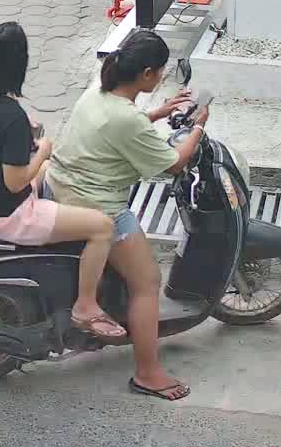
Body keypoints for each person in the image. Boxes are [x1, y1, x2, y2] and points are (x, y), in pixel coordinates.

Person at [46, 29, 208, 402]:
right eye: (162, 72)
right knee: (148, 282)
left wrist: (158, 113)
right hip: (98, 205)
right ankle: (148, 372)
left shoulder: (98, 91)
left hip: (61, 185)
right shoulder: (128, 119)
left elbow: (116, 128)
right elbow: (174, 164)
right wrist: (198, 125)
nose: (164, 77)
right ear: (148, 74)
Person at [0, 23, 126, 341]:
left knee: (49, 167)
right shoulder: (11, 116)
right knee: (103, 226)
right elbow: (15, 182)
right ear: (19, 62)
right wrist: (42, 149)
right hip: (8, 215)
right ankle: (86, 305)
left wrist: (28, 138)